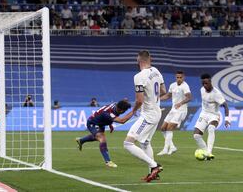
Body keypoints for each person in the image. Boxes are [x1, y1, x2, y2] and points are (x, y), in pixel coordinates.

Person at [123, 50, 166, 182]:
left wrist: (132, 112)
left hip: (148, 115)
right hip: (157, 112)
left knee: (128, 143)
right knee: (145, 143)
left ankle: (154, 166)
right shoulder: (156, 71)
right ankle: (153, 174)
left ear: (139, 61)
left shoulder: (139, 76)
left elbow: (140, 100)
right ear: (150, 59)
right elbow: (164, 91)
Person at [76, 99, 133, 168]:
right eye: (124, 111)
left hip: (101, 123)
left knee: (96, 137)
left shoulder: (116, 106)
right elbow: (122, 120)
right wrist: (134, 111)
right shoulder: (107, 113)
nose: (124, 112)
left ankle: (81, 140)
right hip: (93, 123)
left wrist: (110, 124)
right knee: (102, 139)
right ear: (120, 109)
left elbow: (111, 116)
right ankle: (108, 162)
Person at [193, 73, 230, 160]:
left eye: (206, 83)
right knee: (196, 136)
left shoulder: (216, 93)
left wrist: (227, 119)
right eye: (203, 83)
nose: (204, 85)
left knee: (211, 128)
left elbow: (225, 105)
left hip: (214, 115)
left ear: (210, 82)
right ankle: (206, 151)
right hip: (204, 114)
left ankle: (209, 152)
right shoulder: (202, 90)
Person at [157, 70, 192, 156]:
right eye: (177, 77)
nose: (179, 79)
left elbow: (189, 97)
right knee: (163, 128)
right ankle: (172, 147)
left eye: (181, 77)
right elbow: (168, 95)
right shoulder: (172, 85)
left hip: (181, 111)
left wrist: (180, 103)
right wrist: (158, 99)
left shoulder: (185, 86)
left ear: (184, 77)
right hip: (173, 110)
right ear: (175, 77)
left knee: (169, 128)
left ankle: (165, 149)